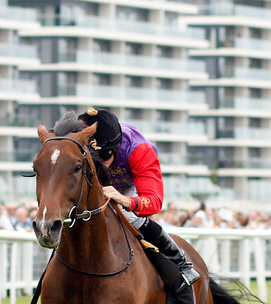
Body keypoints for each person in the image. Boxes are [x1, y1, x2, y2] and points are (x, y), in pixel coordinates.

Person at [74, 108, 199, 292]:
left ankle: (181, 264)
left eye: (106, 156)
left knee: (130, 217)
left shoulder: (139, 150)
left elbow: (154, 202)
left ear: (116, 148)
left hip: (128, 181)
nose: (102, 163)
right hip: (93, 178)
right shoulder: (78, 142)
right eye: (95, 157)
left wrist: (125, 200)